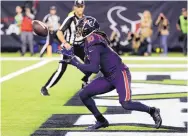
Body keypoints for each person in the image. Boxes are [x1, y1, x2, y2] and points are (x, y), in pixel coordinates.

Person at [60, 16, 162, 130]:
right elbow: (88, 69)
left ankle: (152, 110)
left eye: (81, 28)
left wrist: (74, 62)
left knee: (126, 104)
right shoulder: (89, 42)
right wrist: (72, 58)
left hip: (120, 74)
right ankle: (101, 120)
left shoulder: (94, 39)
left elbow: (94, 68)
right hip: (108, 77)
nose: (78, 31)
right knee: (83, 94)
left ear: (88, 29)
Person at [40, 0, 89, 95]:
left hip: (80, 46)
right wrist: (65, 42)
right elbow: (59, 32)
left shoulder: (85, 19)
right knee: (61, 69)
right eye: (78, 6)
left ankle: (85, 83)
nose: (79, 8)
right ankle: (45, 88)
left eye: (81, 6)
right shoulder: (70, 18)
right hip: (68, 47)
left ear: (84, 7)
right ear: (74, 7)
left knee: (92, 64)